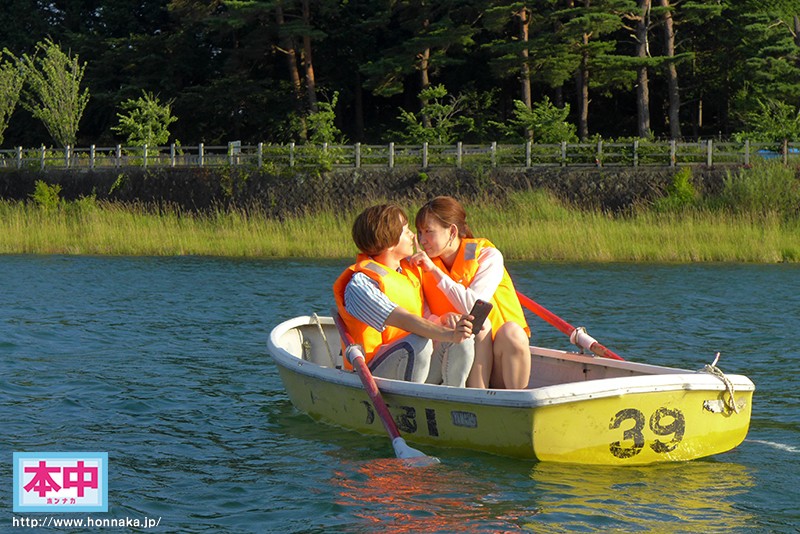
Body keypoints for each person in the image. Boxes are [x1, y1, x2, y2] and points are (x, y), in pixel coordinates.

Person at [333, 203, 475, 385]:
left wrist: (444, 322)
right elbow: (403, 319)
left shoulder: (409, 272)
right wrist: (447, 335)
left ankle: (454, 398)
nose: (413, 235)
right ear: (390, 242)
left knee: (463, 338)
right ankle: (413, 403)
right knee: (417, 342)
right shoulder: (360, 285)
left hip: (414, 362)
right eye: (405, 230)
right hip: (373, 375)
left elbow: (421, 317)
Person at [411, 196, 531, 389]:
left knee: (511, 332)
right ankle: (478, 397)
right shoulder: (419, 267)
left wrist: (435, 271)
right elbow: (419, 312)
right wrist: (441, 319)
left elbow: (474, 307)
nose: (422, 240)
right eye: (419, 232)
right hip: (455, 358)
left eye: (428, 232)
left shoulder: (488, 256)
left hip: (499, 358)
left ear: (452, 231)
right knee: (477, 328)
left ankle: (517, 403)